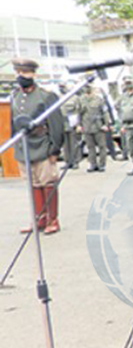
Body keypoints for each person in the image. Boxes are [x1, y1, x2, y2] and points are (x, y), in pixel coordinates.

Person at [10, 58, 65, 234]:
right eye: (18, 72)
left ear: (33, 74)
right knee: (33, 184)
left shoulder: (46, 96)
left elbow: (56, 124)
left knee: (48, 182)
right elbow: (14, 123)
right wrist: (15, 145)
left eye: (25, 72)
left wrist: (54, 148)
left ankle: (52, 219)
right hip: (24, 147)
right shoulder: (15, 96)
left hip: (42, 145)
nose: (21, 76)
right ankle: (39, 218)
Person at [80, 83, 111, 173]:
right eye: (85, 88)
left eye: (89, 88)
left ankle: (102, 165)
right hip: (86, 126)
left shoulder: (99, 99)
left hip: (98, 126)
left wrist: (106, 124)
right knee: (90, 147)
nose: (87, 89)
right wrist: (78, 125)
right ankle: (92, 164)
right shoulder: (81, 100)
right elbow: (78, 114)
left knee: (102, 147)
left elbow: (105, 112)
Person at [60, 81, 81, 170]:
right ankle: (67, 161)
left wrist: (79, 124)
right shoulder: (60, 97)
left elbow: (79, 111)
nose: (62, 89)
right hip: (63, 123)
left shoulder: (75, 98)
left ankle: (75, 161)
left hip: (73, 123)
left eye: (63, 86)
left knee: (74, 143)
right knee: (65, 145)